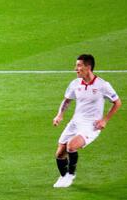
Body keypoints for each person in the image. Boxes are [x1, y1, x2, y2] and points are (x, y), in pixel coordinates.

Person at [52, 54, 121, 188]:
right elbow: (67, 100)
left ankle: (71, 175)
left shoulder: (103, 85)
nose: (75, 69)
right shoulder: (75, 83)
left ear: (88, 67)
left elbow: (117, 102)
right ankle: (63, 176)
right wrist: (59, 115)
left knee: (71, 146)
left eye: (79, 66)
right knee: (60, 153)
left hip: (91, 125)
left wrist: (105, 120)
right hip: (75, 122)